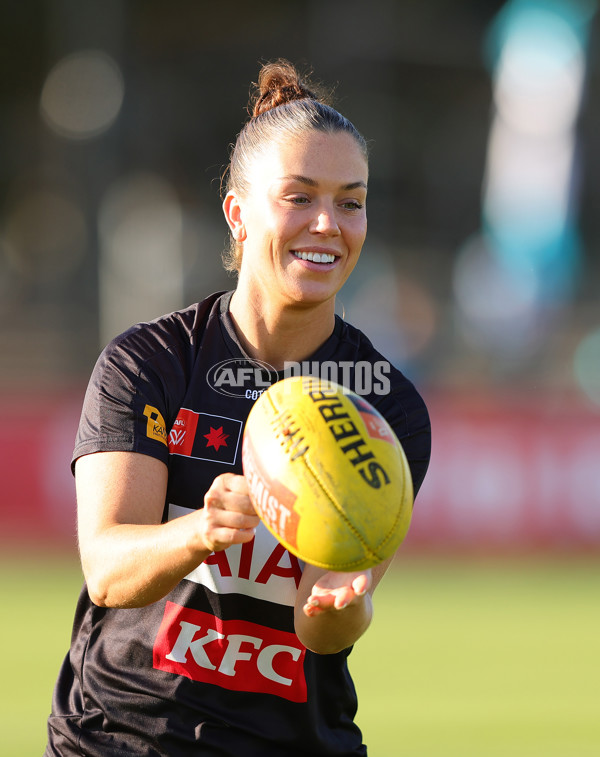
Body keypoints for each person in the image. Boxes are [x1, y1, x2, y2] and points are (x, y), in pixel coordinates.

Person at [45, 59, 431, 756]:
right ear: (239, 212)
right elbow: (107, 570)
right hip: (122, 738)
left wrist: (345, 600)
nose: (328, 223)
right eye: (299, 196)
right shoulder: (151, 362)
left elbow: (325, 631)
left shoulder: (385, 406)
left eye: (351, 200)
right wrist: (201, 529)